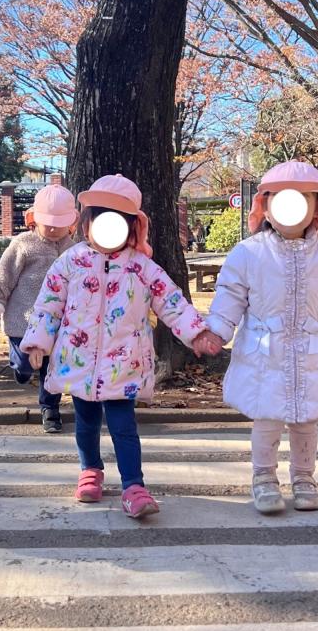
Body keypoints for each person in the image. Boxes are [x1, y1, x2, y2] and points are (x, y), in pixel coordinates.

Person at [21, 174, 218, 519]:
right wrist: (38, 341)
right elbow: (49, 303)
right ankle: (90, 471)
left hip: (123, 363)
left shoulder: (141, 267)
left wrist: (196, 332)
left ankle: (133, 486)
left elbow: (171, 301)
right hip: (79, 360)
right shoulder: (71, 261)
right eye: (100, 219)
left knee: (123, 426)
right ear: (87, 222)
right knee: (85, 422)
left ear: (131, 227)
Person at [201, 161, 318, 515]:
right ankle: (264, 477)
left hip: (310, 353)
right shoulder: (248, 252)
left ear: (317, 207)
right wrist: (217, 331)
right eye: (281, 199)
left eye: (302, 199)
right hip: (264, 354)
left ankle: (304, 478)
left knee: (305, 421)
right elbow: (229, 295)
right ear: (266, 205)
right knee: (266, 419)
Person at [0, 184, 77, 433]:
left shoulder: (74, 250)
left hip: (57, 322)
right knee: (25, 364)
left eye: (59, 224)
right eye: (48, 224)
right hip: (22, 320)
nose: (54, 229)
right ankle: (20, 370)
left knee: (51, 368)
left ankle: (50, 409)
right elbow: (4, 274)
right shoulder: (23, 243)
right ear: (34, 219)